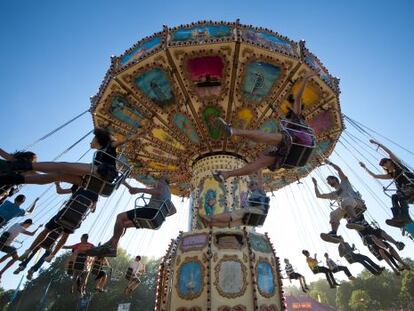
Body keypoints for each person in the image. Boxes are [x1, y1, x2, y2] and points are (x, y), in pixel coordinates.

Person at [212, 71, 317, 182]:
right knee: (260, 163)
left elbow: (298, 99)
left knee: (267, 137)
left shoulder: (297, 119)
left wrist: (305, 79)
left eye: (288, 116)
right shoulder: (291, 125)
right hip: (291, 156)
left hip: (298, 141)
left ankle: (232, 130)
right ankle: (226, 174)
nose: (287, 118)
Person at [0, 129, 141, 187]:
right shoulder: (98, 154)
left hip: (104, 171)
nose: (90, 142)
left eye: (93, 139)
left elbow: (123, 141)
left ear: (99, 139)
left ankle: (20, 165)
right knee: (57, 175)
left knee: (63, 165)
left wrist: (135, 136)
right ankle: (16, 179)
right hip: (91, 181)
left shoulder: (109, 147)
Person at [86, 177, 175, 257]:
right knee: (123, 224)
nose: (157, 179)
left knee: (120, 217)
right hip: (156, 221)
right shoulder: (168, 194)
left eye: (159, 178)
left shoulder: (161, 183)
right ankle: (109, 244)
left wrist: (138, 190)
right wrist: (161, 215)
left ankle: (112, 248)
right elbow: (173, 210)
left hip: (150, 212)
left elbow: (158, 192)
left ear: (163, 179)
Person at [19, 182, 98, 262]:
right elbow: (93, 209)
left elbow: (60, 191)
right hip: (75, 220)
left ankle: (29, 250)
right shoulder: (95, 193)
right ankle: (52, 255)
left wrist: (57, 184)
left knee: (46, 230)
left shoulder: (79, 185)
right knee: (65, 235)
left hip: (64, 214)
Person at [360, 139, 414, 227]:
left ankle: (405, 216)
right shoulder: (391, 175)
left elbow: (389, 153)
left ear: (390, 161)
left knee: (399, 193)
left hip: (411, 186)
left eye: (385, 161)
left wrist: (377, 144)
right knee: (394, 196)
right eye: (382, 164)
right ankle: (397, 217)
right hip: (406, 193)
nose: (384, 164)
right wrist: (365, 168)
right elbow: (375, 176)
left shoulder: (399, 165)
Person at [312, 160, 367, 243]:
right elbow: (319, 195)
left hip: (357, 202)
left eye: (329, 180)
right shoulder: (333, 194)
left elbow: (339, 170)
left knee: (344, 201)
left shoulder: (344, 182)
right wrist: (315, 185)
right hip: (346, 206)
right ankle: (334, 233)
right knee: (333, 214)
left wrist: (329, 163)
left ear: (335, 179)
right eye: (327, 181)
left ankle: (357, 221)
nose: (328, 182)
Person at [200, 171, 269, 227]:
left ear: (257, 185)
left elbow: (260, 180)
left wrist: (259, 170)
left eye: (253, 184)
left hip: (257, 211)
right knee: (230, 224)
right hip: (255, 216)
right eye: (250, 185)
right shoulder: (251, 196)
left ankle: (211, 217)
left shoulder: (260, 191)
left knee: (232, 215)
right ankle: (210, 224)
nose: (252, 186)